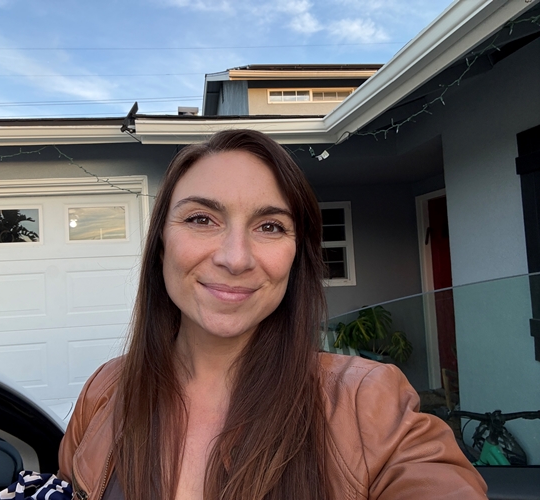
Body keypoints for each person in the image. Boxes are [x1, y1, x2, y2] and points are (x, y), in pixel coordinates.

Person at [58, 129, 487, 500]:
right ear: (161, 246)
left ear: (296, 256)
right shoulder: (105, 392)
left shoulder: (367, 402)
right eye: (202, 219)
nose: (236, 258)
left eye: (270, 226)